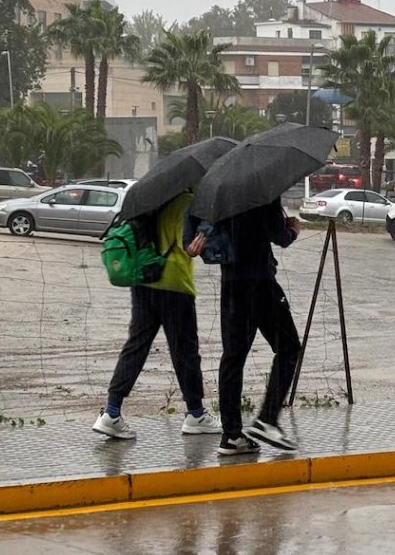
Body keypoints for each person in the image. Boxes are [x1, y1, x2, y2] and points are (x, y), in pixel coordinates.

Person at [92, 191, 219, 440]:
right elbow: (194, 245)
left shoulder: (152, 199)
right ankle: (196, 413)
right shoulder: (191, 202)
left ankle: (112, 412)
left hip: (144, 279)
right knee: (185, 351)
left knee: (136, 346)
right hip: (174, 282)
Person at [189, 199, 301, 456]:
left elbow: (194, 235)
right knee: (289, 347)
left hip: (232, 284)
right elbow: (279, 236)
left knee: (233, 357)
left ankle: (231, 435)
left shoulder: (218, 196)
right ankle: (267, 419)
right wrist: (292, 229)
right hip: (260, 282)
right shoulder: (262, 192)